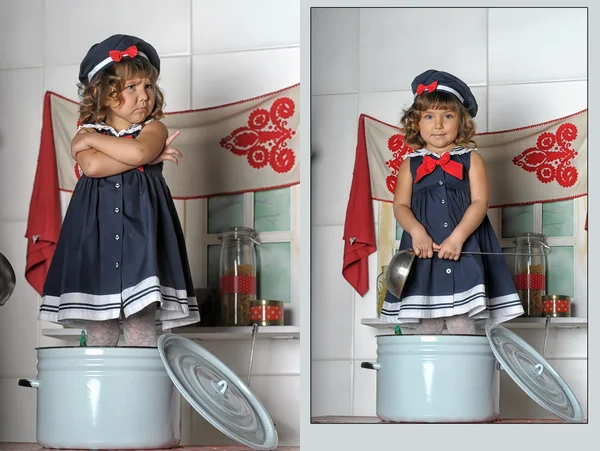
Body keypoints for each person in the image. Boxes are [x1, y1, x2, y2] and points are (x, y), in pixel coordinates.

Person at [39, 34, 200, 346]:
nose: (144, 96)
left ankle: (141, 391)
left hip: (142, 237)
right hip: (95, 240)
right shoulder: (90, 130)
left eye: (149, 86)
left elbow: (139, 153)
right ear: (105, 93)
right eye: (132, 87)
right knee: (100, 329)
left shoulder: (153, 129)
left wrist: (97, 143)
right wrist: (141, 155)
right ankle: (106, 392)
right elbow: (93, 168)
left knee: (141, 324)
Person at [381, 69, 523, 334]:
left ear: (461, 121)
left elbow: (480, 202)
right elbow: (400, 206)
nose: (438, 125)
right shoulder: (409, 165)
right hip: (424, 254)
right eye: (429, 116)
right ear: (416, 123)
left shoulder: (473, 160)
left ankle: (465, 371)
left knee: (462, 323)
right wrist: (417, 232)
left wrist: (458, 238)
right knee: (427, 324)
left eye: (447, 116)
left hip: (465, 248)